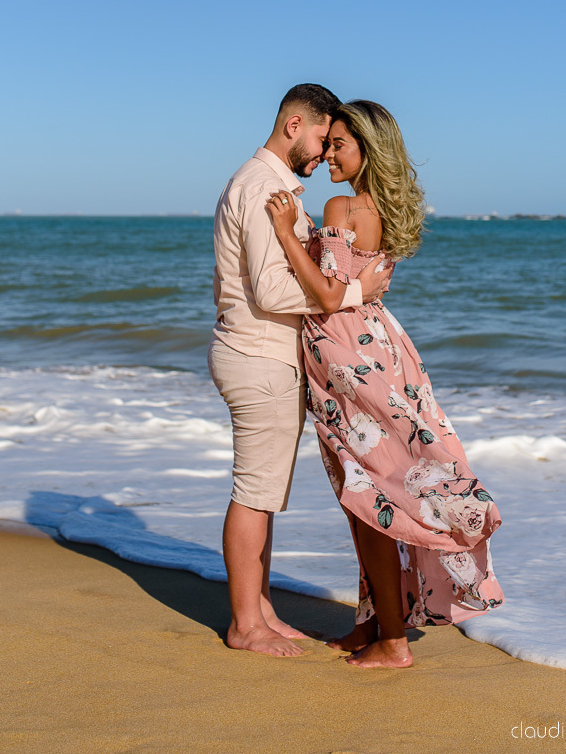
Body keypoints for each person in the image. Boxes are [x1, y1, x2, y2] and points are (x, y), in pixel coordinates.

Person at [266, 99, 504, 669]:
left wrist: (283, 231)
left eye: (338, 145)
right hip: (382, 346)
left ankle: (394, 643)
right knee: (368, 487)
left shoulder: (340, 206)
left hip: (346, 356)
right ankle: (373, 623)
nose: (326, 155)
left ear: (366, 150)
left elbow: (325, 296)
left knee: (365, 491)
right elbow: (357, 286)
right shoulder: (385, 211)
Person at [208, 84, 390, 658]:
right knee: (253, 494)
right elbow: (271, 288)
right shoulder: (264, 187)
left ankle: (259, 609)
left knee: (263, 493)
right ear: (293, 123)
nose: (322, 153)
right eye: (319, 137)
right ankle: (245, 625)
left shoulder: (271, 185)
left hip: (259, 352)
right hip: (259, 352)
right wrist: (352, 292)